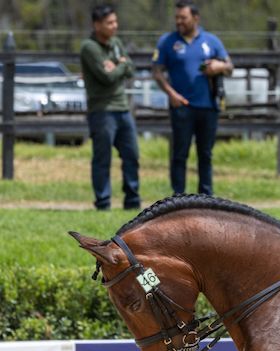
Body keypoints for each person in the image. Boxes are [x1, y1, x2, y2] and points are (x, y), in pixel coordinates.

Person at [152, 1, 232, 195]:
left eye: (183, 18)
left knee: (205, 154)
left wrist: (218, 67)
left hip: (208, 106)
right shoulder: (167, 41)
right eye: (177, 18)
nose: (179, 22)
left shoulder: (211, 41)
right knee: (179, 154)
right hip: (182, 106)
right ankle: (178, 197)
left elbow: (230, 66)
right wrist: (172, 95)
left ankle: (206, 196)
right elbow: (157, 72)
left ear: (196, 18)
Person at [79, 4, 140, 210]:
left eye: (115, 21)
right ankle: (103, 202)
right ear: (97, 25)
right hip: (102, 110)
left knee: (131, 155)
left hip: (123, 108)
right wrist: (120, 64)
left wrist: (119, 64)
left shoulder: (116, 42)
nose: (115, 26)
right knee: (103, 158)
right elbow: (107, 77)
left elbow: (131, 69)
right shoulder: (89, 47)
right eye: (109, 23)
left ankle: (132, 201)